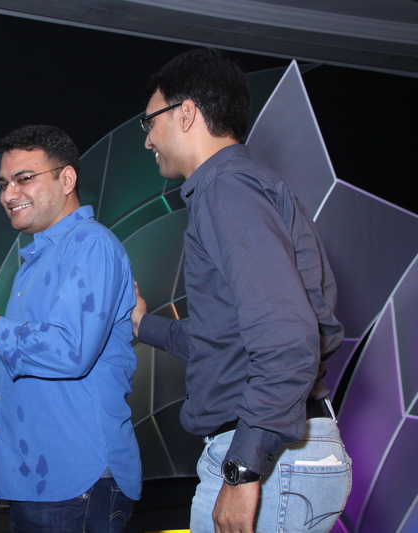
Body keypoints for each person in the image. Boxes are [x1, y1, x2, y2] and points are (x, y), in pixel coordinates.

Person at [132, 48, 352, 533]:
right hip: (281, 453)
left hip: (267, 459)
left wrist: (243, 469)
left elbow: (286, 338)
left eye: (150, 122)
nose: (147, 139)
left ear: (186, 113)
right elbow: (225, 339)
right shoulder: (240, 188)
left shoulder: (226, 190)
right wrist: (142, 326)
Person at [0, 125, 141, 533]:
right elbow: (19, 366)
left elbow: (68, 352)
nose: (8, 194)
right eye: (3, 184)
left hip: (76, 476)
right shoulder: (36, 260)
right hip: (40, 478)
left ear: (66, 179)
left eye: (23, 178)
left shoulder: (90, 244)